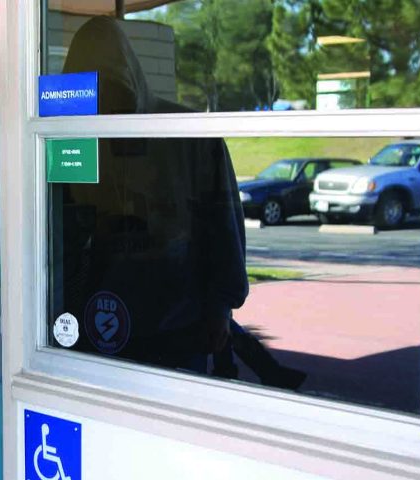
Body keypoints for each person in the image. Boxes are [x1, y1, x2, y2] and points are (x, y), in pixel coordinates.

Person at [55, 16, 305, 390]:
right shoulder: (62, 141)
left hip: (176, 323)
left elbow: (224, 222)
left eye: (112, 87)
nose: (106, 103)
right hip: (95, 325)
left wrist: (220, 307)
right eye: (95, 89)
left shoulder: (187, 134)